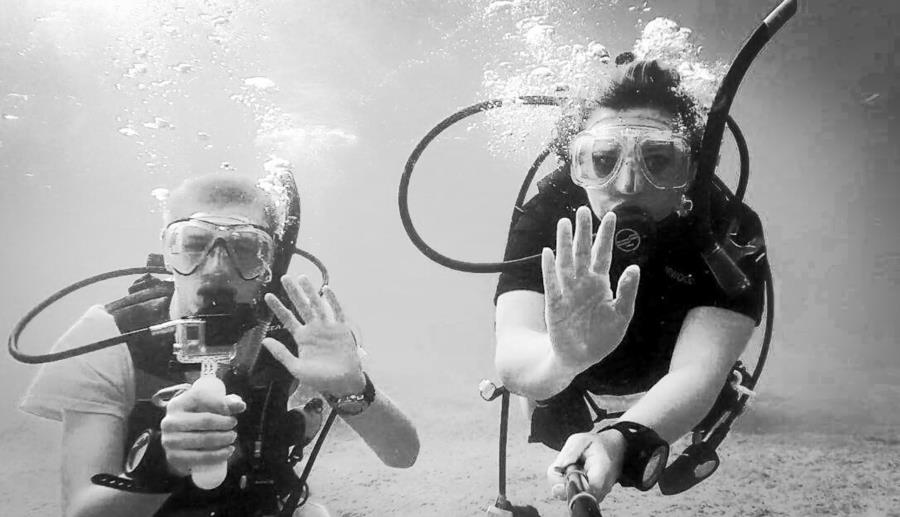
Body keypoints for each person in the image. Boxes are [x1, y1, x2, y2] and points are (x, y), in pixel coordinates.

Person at [19, 173, 419, 517]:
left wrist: (353, 388)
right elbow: (82, 511)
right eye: (194, 243)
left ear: (271, 261)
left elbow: (402, 455)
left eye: (246, 248)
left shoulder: (296, 332)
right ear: (167, 253)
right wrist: (165, 464)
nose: (217, 267)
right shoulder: (109, 336)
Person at [493, 59, 766, 502]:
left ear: (693, 168)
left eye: (658, 159)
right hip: (569, 375)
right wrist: (561, 357)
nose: (628, 182)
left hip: (672, 371)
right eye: (602, 159)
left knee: (706, 398)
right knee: (550, 418)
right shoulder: (547, 214)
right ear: (576, 163)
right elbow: (514, 353)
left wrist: (618, 442)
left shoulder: (729, 229)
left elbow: (699, 369)